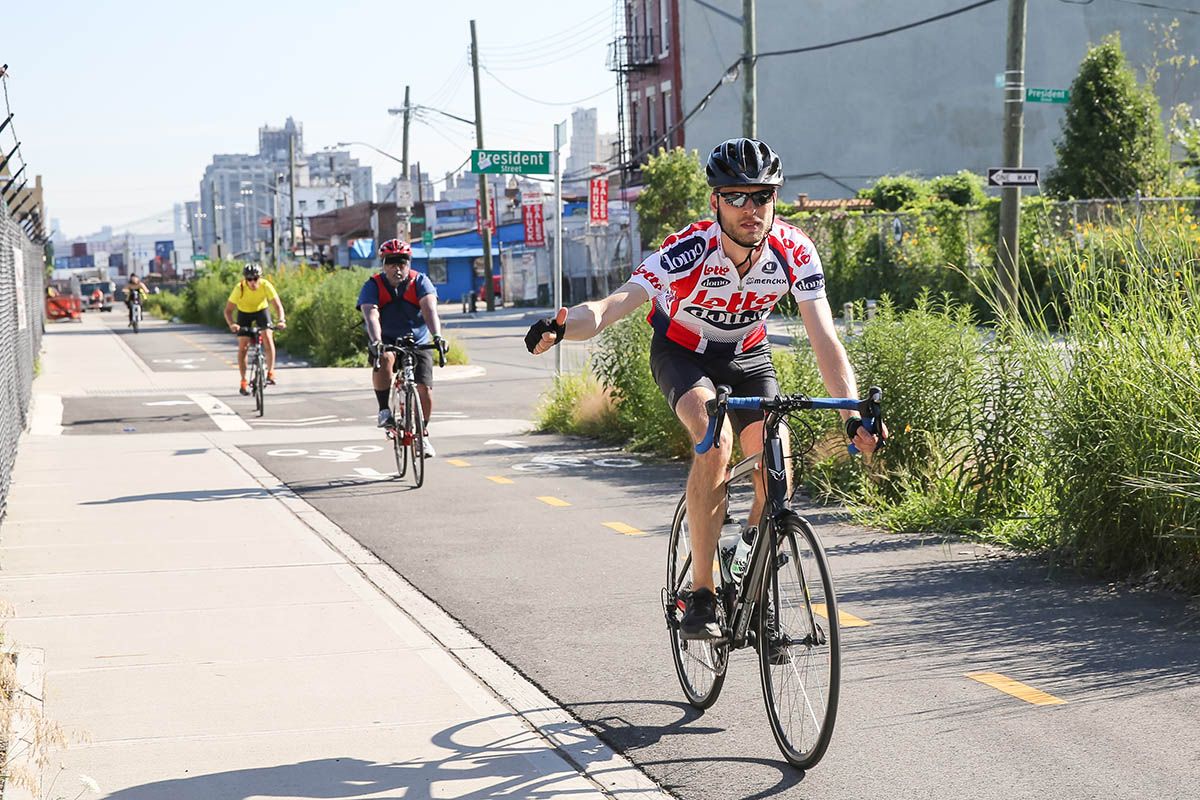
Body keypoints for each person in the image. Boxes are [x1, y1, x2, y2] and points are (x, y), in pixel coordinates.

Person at [526, 137, 886, 641]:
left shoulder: (794, 250)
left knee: (775, 463)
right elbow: (613, 306)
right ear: (714, 201)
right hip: (682, 352)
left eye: (761, 196)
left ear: (774, 201)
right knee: (713, 440)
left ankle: (746, 565)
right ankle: (702, 593)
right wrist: (562, 328)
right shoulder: (689, 250)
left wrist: (851, 413)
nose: (749, 208)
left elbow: (825, 338)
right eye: (735, 196)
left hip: (746, 354)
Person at [358, 238, 448, 458]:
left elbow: (429, 309)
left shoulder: (420, 281)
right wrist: (377, 340)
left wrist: (437, 336)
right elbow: (371, 314)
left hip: (417, 341)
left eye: (402, 262)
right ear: (383, 264)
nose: (397, 267)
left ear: (409, 262)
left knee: (424, 390)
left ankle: (423, 436)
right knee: (385, 359)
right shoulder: (374, 285)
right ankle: (384, 410)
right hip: (387, 339)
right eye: (391, 262)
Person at [223, 263, 287, 395]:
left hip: (261, 311)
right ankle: (243, 380)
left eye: (255, 279)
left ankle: (270, 372)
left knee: (268, 337)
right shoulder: (239, 288)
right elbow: (228, 311)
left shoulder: (265, 285)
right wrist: (232, 324)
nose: (252, 282)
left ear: (260, 278)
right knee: (243, 347)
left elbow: (278, 306)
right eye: (249, 279)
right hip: (244, 313)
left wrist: (281, 320)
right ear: (245, 279)